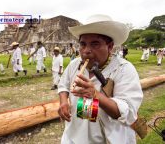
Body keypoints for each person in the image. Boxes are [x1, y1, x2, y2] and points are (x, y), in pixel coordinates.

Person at [58, 14, 143, 144]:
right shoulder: (75, 65)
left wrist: (95, 94)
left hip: (109, 138)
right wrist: (64, 102)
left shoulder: (123, 69)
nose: (86, 51)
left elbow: (128, 111)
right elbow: (63, 85)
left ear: (110, 47)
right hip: (74, 136)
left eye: (95, 44)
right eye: (83, 44)